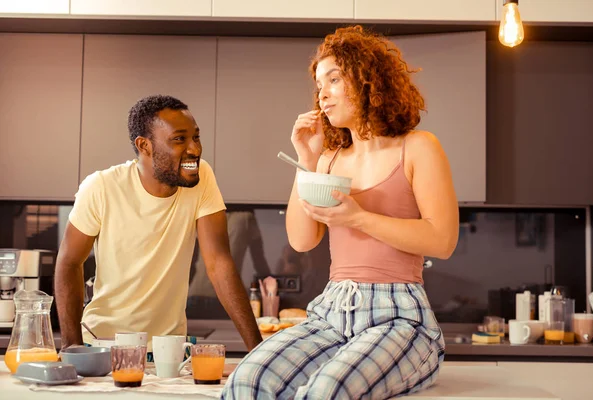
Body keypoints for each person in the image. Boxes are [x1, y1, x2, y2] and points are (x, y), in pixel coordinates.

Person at [221, 25, 459, 399]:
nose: (323, 94)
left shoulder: (417, 148)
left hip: (400, 317)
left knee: (326, 392)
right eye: (319, 85)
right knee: (246, 382)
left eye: (334, 79)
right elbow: (301, 240)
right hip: (331, 311)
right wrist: (308, 159)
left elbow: (442, 240)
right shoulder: (329, 160)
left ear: (368, 81)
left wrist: (358, 218)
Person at [54, 95, 262, 352]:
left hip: (168, 350)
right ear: (145, 146)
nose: (194, 149)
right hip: (102, 345)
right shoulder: (102, 187)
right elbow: (69, 262)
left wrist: (258, 351)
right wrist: (72, 346)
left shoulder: (201, 177)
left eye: (196, 137)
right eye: (179, 139)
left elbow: (219, 263)